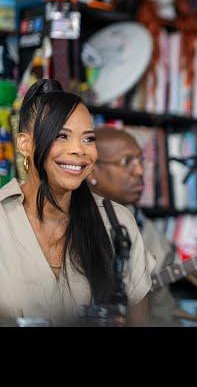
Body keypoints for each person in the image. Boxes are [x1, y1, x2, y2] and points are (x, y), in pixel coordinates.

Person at [0, 79, 154, 326]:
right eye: (62, 136)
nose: (79, 150)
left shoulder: (116, 222)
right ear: (25, 144)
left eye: (88, 139)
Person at [87, 127, 179, 326]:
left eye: (140, 161)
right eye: (126, 161)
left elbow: (162, 315)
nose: (139, 171)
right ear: (91, 171)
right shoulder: (64, 221)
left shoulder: (152, 237)